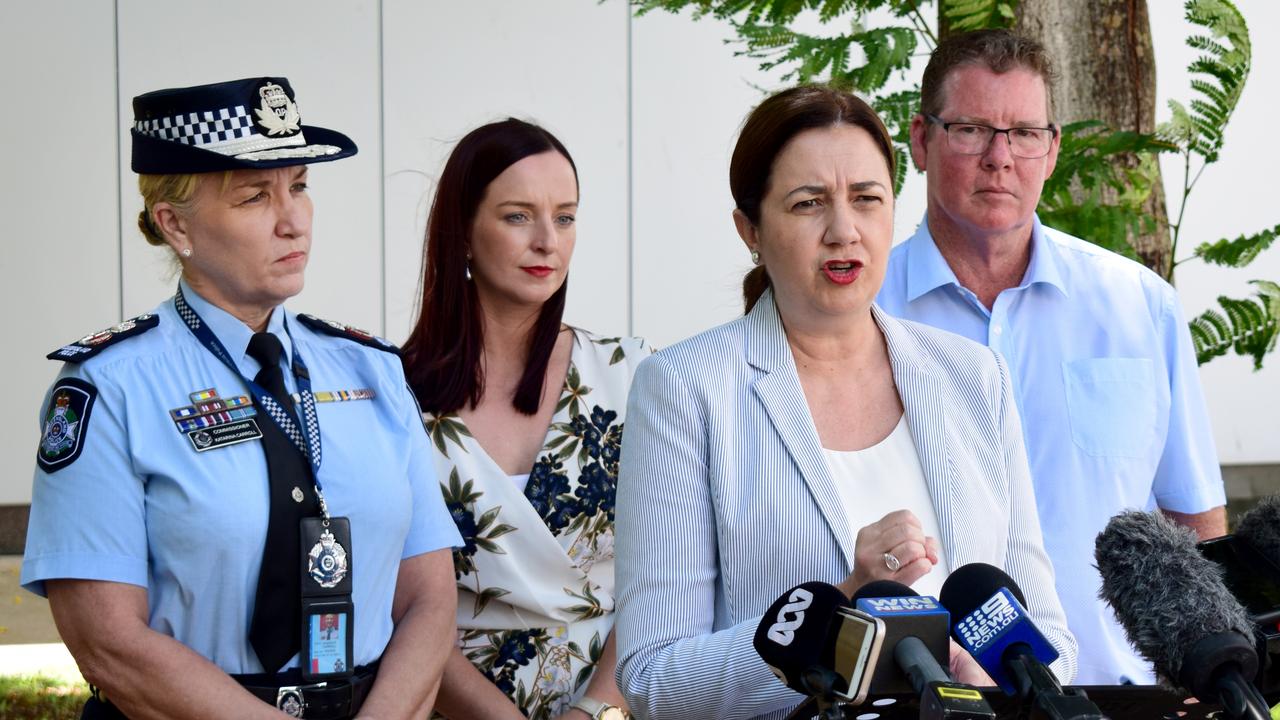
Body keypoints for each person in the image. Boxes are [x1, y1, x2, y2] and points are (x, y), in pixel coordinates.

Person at [613, 85, 1076, 720]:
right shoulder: (684, 387)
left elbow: (1047, 627)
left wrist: (998, 671)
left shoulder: (972, 374)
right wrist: (840, 609)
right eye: (808, 204)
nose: (843, 230)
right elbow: (653, 676)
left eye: (866, 199)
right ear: (750, 229)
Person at [21, 77, 461, 719]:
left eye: (301, 186)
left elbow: (429, 599)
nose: (293, 219)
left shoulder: (371, 370)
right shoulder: (108, 387)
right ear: (175, 224)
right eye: (255, 196)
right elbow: (107, 641)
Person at [875, 29, 1227, 685]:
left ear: (1053, 148)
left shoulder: (1139, 308)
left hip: (1121, 693)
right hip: (936, 695)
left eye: (1024, 133)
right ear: (921, 140)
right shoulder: (865, 316)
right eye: (972, 129)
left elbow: (1195, 524)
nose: (999, 158)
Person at [401, 119, 649, 720]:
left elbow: (664, 571)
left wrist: (599, 709)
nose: (548, 241)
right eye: (517, 216)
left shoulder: (633, 373)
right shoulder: (394, 396)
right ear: (461, 230)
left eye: (565, 217)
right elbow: (398, 599)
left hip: (621, 702)